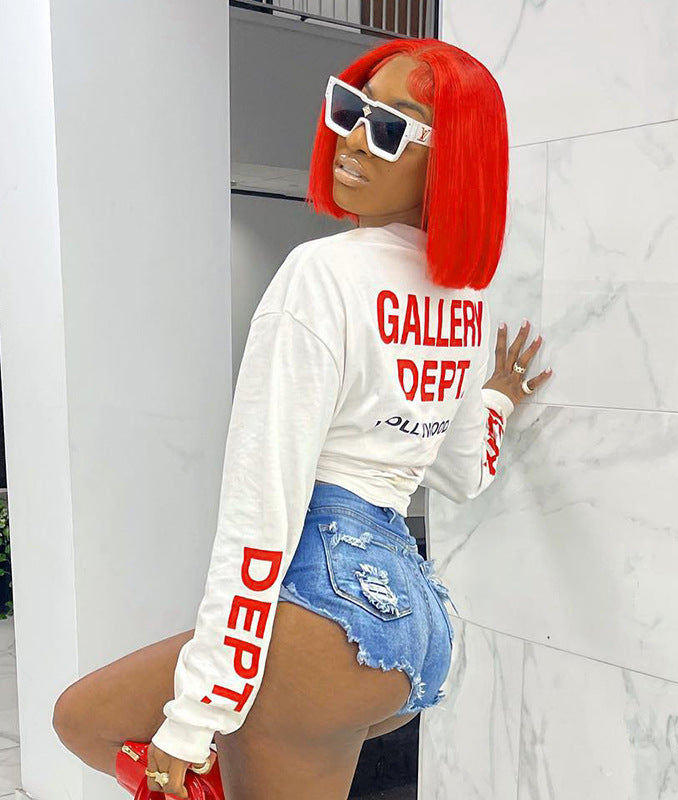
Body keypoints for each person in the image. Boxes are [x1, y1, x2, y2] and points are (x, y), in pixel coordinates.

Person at [51, 37, 552, 799]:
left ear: (450, 160)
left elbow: (263, 510)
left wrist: (198, 712)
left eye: (392, 128)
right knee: (86, 717)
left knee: (89, 722)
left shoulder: (322, 273)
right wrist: (498, 401)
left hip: (324, 609)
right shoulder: (463, 299)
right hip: (413, 626)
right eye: (352, 110)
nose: (355, 138)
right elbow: (460, 474)